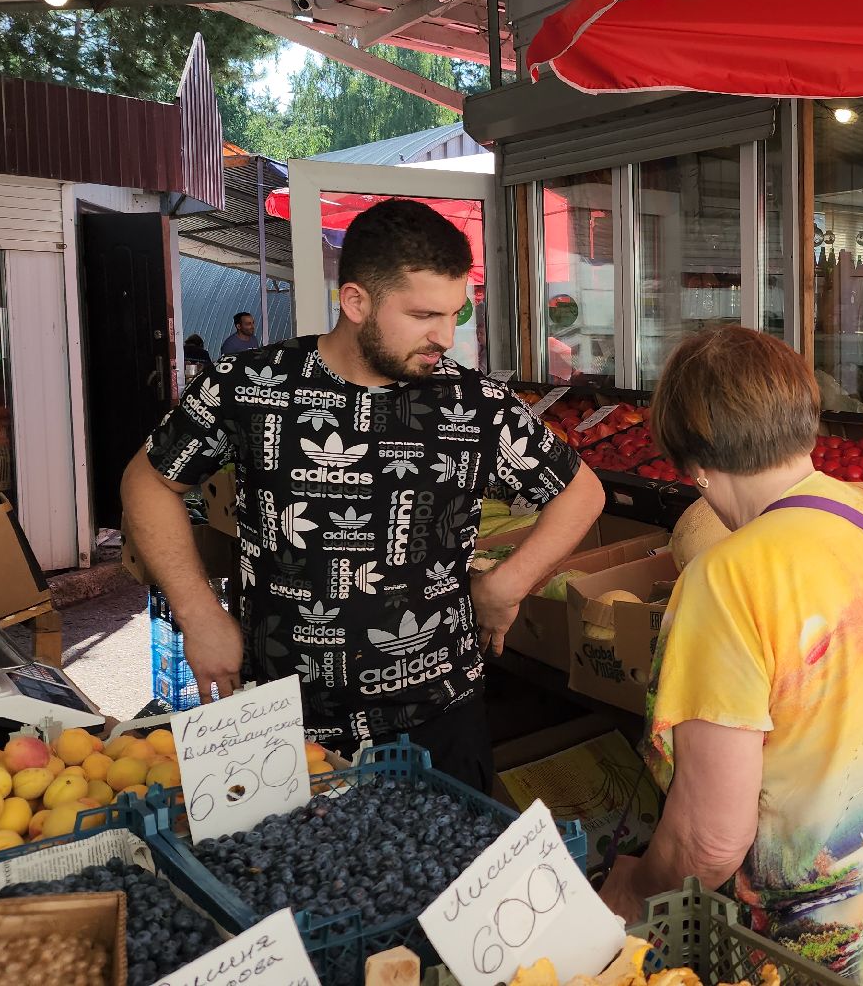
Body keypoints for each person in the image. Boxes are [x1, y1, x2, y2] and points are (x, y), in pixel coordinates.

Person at [122, 199, 604, 792]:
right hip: (280, 718)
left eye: (455, 313)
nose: (444, 337)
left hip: (438, 717)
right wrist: (199, 614)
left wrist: (509, 582)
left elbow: (581, 492)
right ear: (355, 302)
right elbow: (148, 480)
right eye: (425, 314)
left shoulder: (476, 405)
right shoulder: (250, 386)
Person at [598, 326, 863, 985]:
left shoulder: (725, 578)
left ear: (693, 469)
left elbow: (712, 840)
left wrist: (636, 891)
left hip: (821, 954)